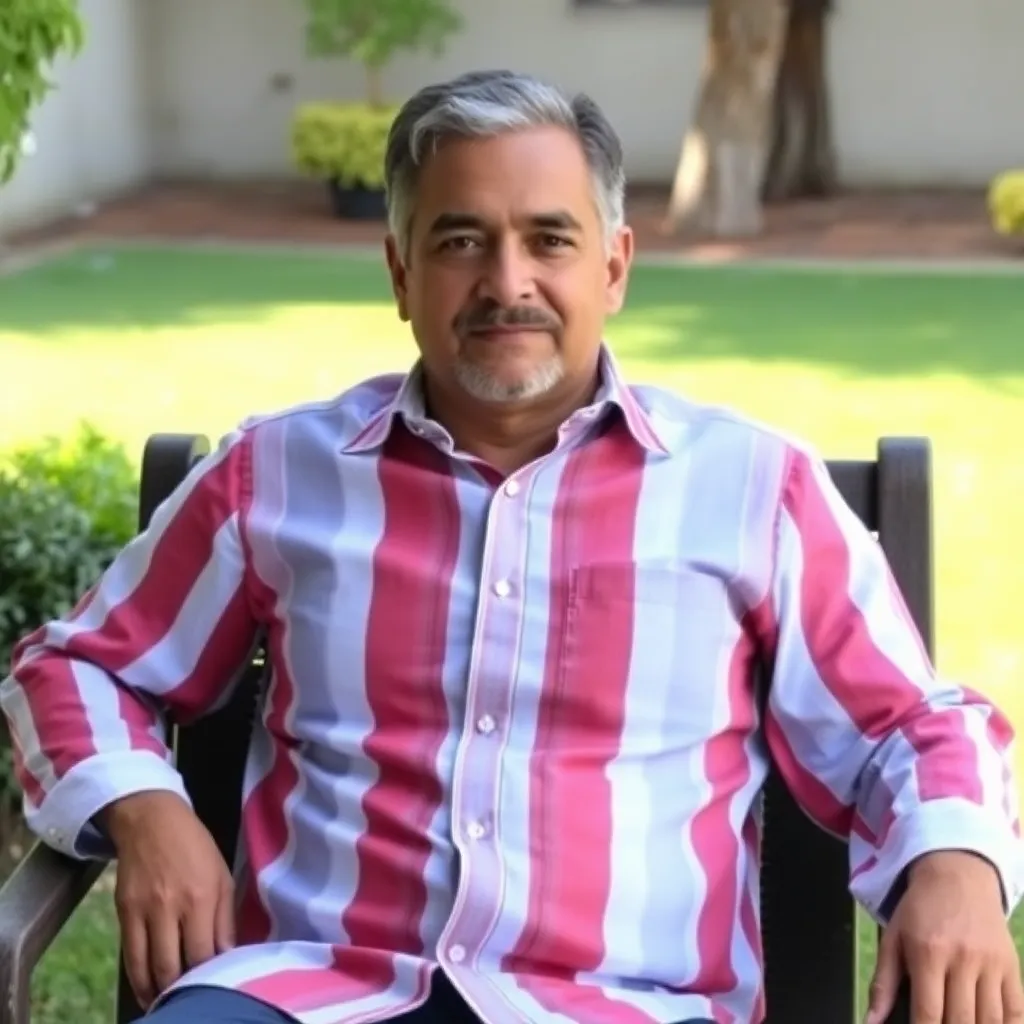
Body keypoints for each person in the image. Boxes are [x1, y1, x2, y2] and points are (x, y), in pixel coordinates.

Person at [2, 69, 1022, 1024]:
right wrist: (141, 805)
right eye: (459, 241)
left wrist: (955, 862)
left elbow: (908, 724)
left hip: (626, 1002)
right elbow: (75, 664)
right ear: (401, 272)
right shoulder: (277, 476)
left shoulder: (748, 492)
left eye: (549, 239)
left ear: (613, 265)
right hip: (313, 990)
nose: (507, 281)